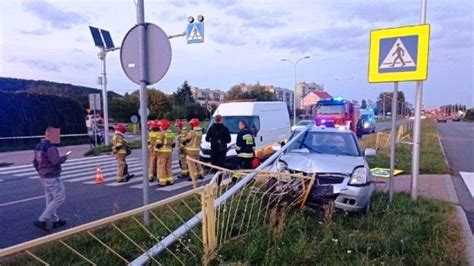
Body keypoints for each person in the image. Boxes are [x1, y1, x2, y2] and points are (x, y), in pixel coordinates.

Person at [32, 127, 69, 230]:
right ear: (50, 135)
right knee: (59, 198)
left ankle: (55, 220)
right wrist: (65, 157)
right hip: (52, 176)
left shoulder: (39, 146)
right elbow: (56, 161)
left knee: (50, 198)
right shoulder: (50, 147)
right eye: (56, 135)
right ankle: (42, 220)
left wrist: (40, 171)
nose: (58, 137)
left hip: (43, 176)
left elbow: (35, 162)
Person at [155, 119, 175, 186]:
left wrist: (155, 148)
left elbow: (158, 144)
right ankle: (170, 180)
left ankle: (162, 181)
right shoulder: (171, 133)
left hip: (162, 152)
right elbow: (173, 144)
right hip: (169, 151)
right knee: (168, 166)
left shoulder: (161, 133)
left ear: (162, 126)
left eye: (160, 126)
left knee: (161, 166)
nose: (159, 127)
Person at [185, 118, 204, 188]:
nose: (190, 125)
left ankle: (193, 176)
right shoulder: (200, 132)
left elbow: (187, 139)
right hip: (197, 150)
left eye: (191, 124)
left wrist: (184, 141)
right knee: (198, 162)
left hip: (191, 150)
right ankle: (201, 173)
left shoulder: (192, 132)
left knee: (191, 165)